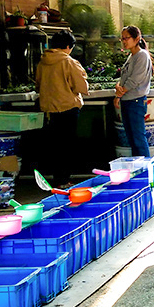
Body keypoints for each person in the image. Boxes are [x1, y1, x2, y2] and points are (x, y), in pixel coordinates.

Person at [35, 30, 89, 188]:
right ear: (67, 46)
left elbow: (38, 85)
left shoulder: (43, 62)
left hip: (49, 110)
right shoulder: (69, 62)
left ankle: (57, 178)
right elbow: (82, 86)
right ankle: (65, 180)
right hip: (68, 108)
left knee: (55, 145)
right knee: (67, 145)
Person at [114, 25, 153, 158]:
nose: (124, 41)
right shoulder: (132, 56)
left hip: (135, 102)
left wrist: (120, 92)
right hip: (127, 101)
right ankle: (138, 170)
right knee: (132, 139)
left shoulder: (141, 56)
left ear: (137, 39)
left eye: (127, 38)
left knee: (138, 139)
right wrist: (118, 87)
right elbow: (124, 78)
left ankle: (145, 173)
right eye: (122, 39)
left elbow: (134, 80)